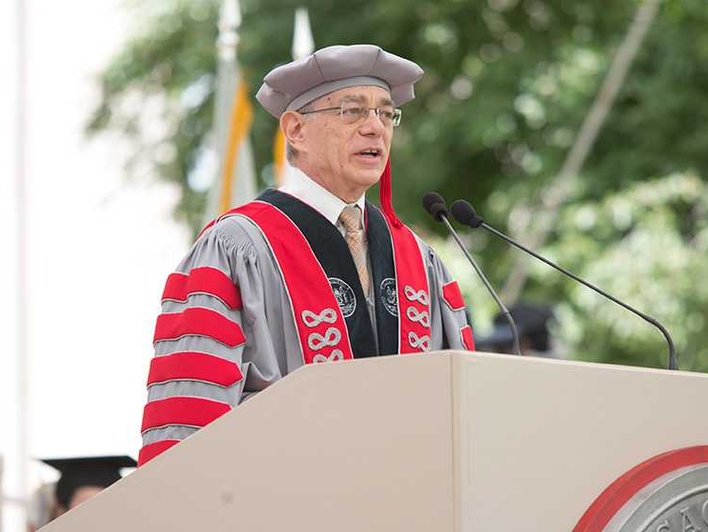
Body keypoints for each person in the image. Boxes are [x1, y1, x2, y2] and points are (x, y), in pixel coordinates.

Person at [139, 44, 474, 466]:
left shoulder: (419, 259)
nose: (375, 128)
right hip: (275, 509)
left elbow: (459, 408)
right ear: (296, 130)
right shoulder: (238, 247)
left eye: (386, 113)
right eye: (352, 111)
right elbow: (189, 417)